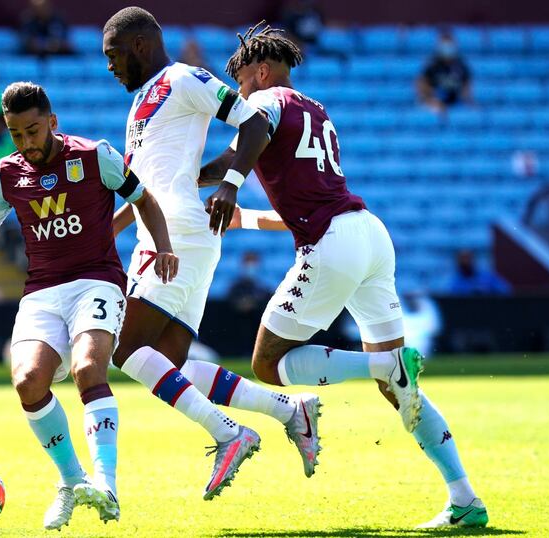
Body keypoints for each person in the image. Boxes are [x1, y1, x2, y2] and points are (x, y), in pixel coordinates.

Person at [199, 22, 488, 528]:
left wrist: (211, 180)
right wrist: (244, 214)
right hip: (369, 235)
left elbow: (249, 137)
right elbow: (310, 195)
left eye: (241, 80)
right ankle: (464, 497)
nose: (238, 93)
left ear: (261, 71)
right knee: (400, 387)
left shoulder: (267, 103)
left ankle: (385, 367)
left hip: (332, 244)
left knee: (269, 364)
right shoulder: (314, 107)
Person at [0, 81, 177, 529]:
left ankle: (106, 486)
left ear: (52, 122)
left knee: (89, 370)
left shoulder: (94, 156)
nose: (25, 142)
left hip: (97, 282)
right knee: (28, 381)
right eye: (15, 134)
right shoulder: (8, 173)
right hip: (42, 291)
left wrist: (162, 246)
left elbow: (144, 201)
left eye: (32, 130)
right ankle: (72, 481)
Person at [103, 6, 322, 500]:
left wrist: (230, 183)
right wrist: (108, 231)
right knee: (167, 363)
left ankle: (230, 434)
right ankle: (290, 411)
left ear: (140, 44)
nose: (110, 66)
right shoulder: (141, 99)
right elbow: (143, 189)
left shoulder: (185, 78)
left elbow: (254, 126)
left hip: (177, 235)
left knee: (123, 347)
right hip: (171, 233)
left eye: (114, 55)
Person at [417, 31, 473, 113]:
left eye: (449, 45)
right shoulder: (432, 64)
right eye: (444, 45)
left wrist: (467, 101)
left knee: (468, 114)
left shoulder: (461, 65)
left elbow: (466, 88)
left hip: (456, 103)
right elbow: (421, 84)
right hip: (435, 102)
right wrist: (430, 99)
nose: (447, 48)